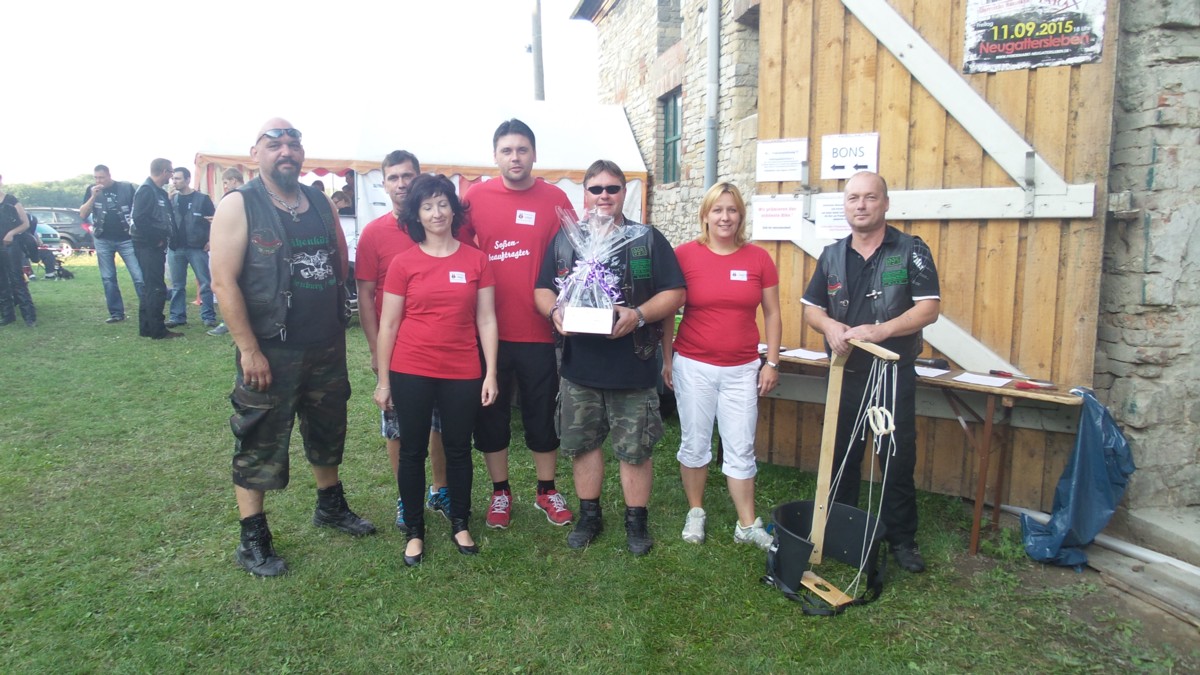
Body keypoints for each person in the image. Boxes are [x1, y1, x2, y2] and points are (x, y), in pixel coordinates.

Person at [210, 118, 375, 577]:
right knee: (260, 436)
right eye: (274, 144)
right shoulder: (239, 205)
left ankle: (330, 506)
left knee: (328, 428)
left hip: (324, 342)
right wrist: (248, 349)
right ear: (255, 152)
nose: (286, 151)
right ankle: (252, 537)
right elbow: (223, 281)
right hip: (271, 346)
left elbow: (339, 257)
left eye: (293, 144)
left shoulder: (319, 201)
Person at [534, 159, 686, 555]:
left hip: (632, 365)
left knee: (635, 447)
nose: (604, 195)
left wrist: (637, 316)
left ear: (624, 193)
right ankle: (589, 516)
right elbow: (541, 291)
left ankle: (636, 522)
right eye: (596, 189)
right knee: (583, 444)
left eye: (612, 188)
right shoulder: (567, 239)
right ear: (584, 194)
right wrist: (556, 312)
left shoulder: (646, 239)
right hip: (579, 366)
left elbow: (675, 293)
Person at [801, 171, 941, 573]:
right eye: (852, 198)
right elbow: (812, 308)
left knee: (895, 457)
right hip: (845, 372)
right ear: (845, 206)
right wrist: (829, 327)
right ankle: (841, 532)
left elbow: (928, 308)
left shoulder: (910, 250)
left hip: (892, 372)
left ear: (885, 203)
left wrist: (881, 330)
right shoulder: (831, 255)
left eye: (869, 198)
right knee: (841, 454)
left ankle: (902, 540)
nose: (860, 205)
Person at [373, 173, 499, 566]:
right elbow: (389, 324)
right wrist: (383, 380)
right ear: (417, 214)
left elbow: (487, 320)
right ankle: (414, 530)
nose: (436, 212)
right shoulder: (403, 263)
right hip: (411, 368)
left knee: (459, 450)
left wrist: (490, 372)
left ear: (453, 208)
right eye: (427, 206)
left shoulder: (476, 260)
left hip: (462, 368)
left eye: (443, 203)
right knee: (412, 451)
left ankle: (460, 522)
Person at [458, 118, 574, 530]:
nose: (515, 157)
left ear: (534, 154)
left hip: (540, 331)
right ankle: (500, 492)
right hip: (488, 333)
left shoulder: (556, 198)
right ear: (495, 156)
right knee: (491, 415)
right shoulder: (475, 197)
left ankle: (546, 489)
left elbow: (578, 257)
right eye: (507, 150)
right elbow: (454, 248)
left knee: (542, 415)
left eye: (522, 149)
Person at [662, 183, 781, 549]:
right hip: (694, 366)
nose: (725, 217)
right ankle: (696, 512)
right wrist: (667, 359)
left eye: (732, 210)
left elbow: (773, 313)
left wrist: (771, 362)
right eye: (718, 210)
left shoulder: (758, 258)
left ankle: (747, 523)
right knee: (695, 443)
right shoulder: (684, 256)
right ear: (706, 215)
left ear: (741, 216)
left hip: (743, 369)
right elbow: (669, 310)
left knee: (741, 446)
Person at [354, 150, 451, 530]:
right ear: (383, 184)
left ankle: (440, 487)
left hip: (439, 346)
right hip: (395, 348)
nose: (401, 184)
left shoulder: (439, 223)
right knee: (396, 424)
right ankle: (404, 495)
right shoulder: (375, 233)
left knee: (439, 422)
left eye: (407, 176)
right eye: (393, 177)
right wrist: (375, 348)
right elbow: (365, 294)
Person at [80, 164, 144, 323]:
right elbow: (83, 214)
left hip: (126, 238)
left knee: (139, 276)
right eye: (95, 178)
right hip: (102, 238)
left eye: (101, 177)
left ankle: (147, 309)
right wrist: (93, 197)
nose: (98, 181)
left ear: (109, 175)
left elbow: (139, 209)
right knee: (108, 278)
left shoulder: (126, 188)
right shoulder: (91, 190)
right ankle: (116, 313)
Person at [131, 158, 181, 340]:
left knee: (151, 286)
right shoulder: (146, 190)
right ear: (164, 171)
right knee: (157, 287)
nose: (172, 176)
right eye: (171, 172)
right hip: (147, 246)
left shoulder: (156, 191)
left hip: (151, 245)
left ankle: (146, 327)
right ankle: (157, 330)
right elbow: (139, 218)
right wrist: (156, 240)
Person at [166, 167, 218, 328]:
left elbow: (213, 221)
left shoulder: (202, 199)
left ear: (188, 180)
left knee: (205, 283)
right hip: (175, 247)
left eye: (178, 179)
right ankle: (177, 316)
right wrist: (168, 200)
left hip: (197, 247)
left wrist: (211, 241)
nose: (175, 182)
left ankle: (208, 316)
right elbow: (164, 219)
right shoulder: (171, 200)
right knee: (177, 285)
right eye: (173, 179)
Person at [207, 169, 244, 337]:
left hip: (234, 248)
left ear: (234, 180)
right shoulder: (253, 197)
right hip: (241, 248)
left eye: (226, 182)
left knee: (226, 283)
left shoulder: (234, 198)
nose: (226, 186)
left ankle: (229, 322)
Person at [0, 173, 36, 327]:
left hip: (11, 244)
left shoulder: (11, 200)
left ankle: (29, 316)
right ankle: (7, 316)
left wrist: (11, 233)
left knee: (17, 279)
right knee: (1, 282)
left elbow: (25, 223)